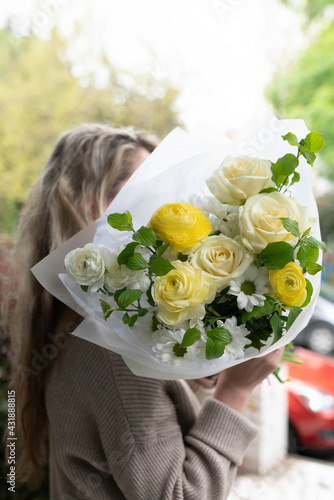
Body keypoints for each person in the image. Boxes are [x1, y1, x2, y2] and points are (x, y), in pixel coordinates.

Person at [8, 123, 284, 499]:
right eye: (145, 192)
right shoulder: (107, 346)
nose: (165, 211)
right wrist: (235, 392)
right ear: (90, 207)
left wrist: (196, 369)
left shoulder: (91, 326)